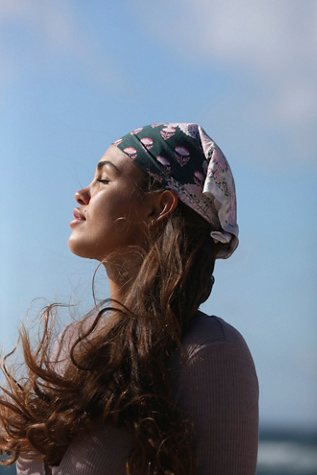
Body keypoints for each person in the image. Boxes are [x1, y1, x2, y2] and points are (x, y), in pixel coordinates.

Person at [0, 123, 259, 474]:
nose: (81, 193)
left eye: (103, 180)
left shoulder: (210, 351)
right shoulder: (71, 343)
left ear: (158, 208)